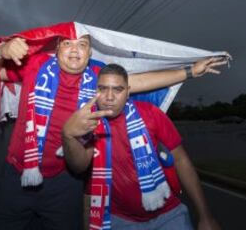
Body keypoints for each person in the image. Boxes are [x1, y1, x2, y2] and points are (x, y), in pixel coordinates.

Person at [0, 26, 227, 230]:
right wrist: (3, 50)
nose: (74, 50)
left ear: (89, 53)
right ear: (56, 50)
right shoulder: (34, 65)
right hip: (17, 173)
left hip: (65, 181)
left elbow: (137, 82)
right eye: (67, 43)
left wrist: (191, 71)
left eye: (82, 44)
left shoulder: (97, 78)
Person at [62, 64, 220, 230]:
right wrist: (69, 136)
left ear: (128, 91)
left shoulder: (151, 114)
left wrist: (205, 216)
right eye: (103, 89)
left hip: (168, 215)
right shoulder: (87, 122)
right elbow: (78, 167)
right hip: (117, 219)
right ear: (96, 91)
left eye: (117, 89)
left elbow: (181, 161)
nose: (109, 97)